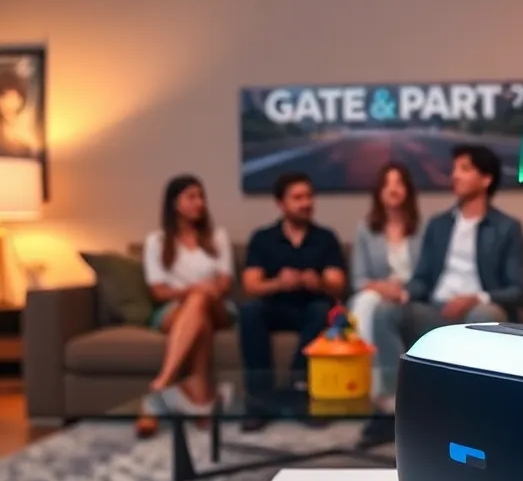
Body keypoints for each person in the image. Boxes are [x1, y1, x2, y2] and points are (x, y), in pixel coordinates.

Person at [362, 145, 523, 444]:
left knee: (486, 317)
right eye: (454, 169)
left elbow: (517, 289)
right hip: (434, 311)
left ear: (486, 179)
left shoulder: (507, 228)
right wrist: (405, 294)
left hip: (478, 311)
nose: (454, 176)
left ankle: (477, 416)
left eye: (464, 169)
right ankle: (389, 408)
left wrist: (478, 298)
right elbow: (422, 278)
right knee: (384, 310)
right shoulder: (438, 225)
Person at [238, 172, 347, 430]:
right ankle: (259, 401)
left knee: (323, 310)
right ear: (281, 204)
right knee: (250, 311)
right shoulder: (263, 237)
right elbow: (250, 285)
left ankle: (297, 392)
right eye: (298, 198)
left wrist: (316, 282)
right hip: (275, 307)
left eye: (309, 196)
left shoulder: (325, 237)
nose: (306, 203)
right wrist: (279, 283)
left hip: (311, 308)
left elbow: (338, 284)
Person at [137, 174, 234, 438]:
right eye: (191, 197)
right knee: (198, 315)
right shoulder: (156, 241)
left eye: (201, 197)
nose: (199, 203)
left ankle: (164, 381)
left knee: (201, 300)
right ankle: (200, 399)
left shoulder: (217, 236)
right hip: (173, 310)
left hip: (218, 306)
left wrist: (204, 291)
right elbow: (158, 291)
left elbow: (225, 283)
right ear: (174, 203)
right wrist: (193, 290)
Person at [349, 162, 422, 409]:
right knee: (366, 302)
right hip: (375, 294)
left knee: (371, 305)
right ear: (378, 191)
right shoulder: (365, 228)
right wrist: (383, 289)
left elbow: (426, 275)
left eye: (399, 182)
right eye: (387, 183)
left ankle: (380, 388)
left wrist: (403, 290)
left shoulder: (421, 229)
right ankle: (378, 386)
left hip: (408, 297)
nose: (393, 189)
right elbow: (358, 279)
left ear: (407, 190)